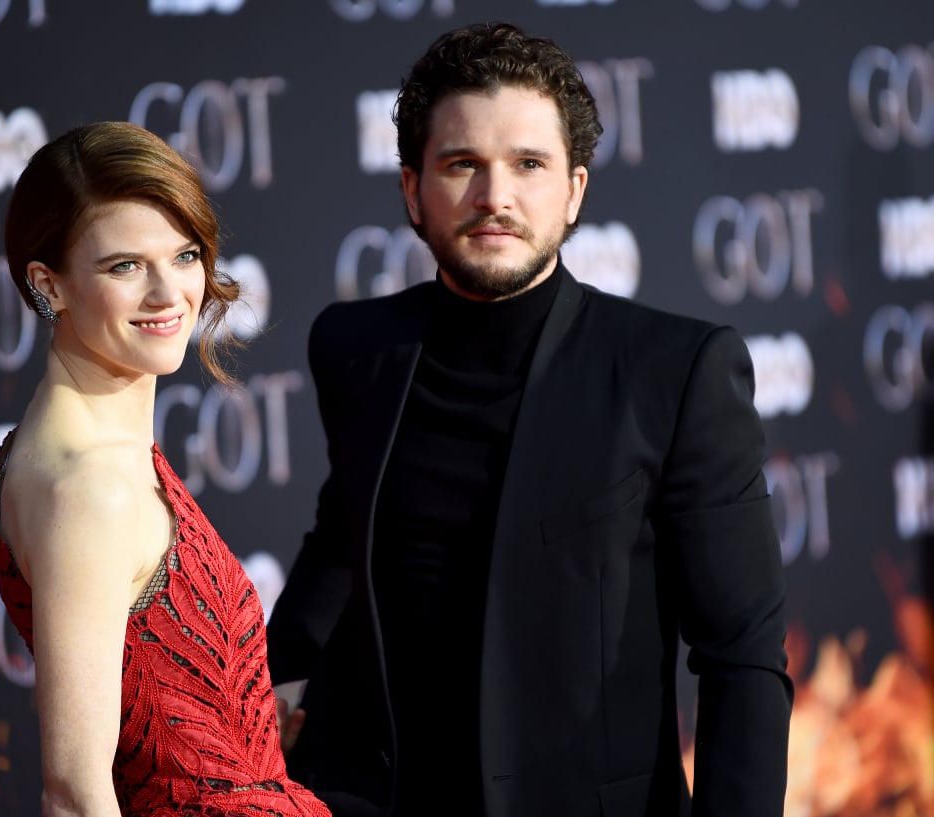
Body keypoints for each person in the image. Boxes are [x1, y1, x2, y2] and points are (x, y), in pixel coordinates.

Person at [266, 22, 792, 817]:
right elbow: (342, 532)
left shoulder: (675, 371)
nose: (494, 197)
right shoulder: (355, 347)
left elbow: (743, 654)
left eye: (528, 165)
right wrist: (273, 677)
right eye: (461, 165)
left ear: (574, 189)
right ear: (413, 191)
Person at [0, 121, 330, 817]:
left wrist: (242, 738)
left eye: (185, 254)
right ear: (49, 285)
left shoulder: (84, 449)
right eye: (125, 266)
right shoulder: (92, 487)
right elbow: (75, 795)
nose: (169, 294)